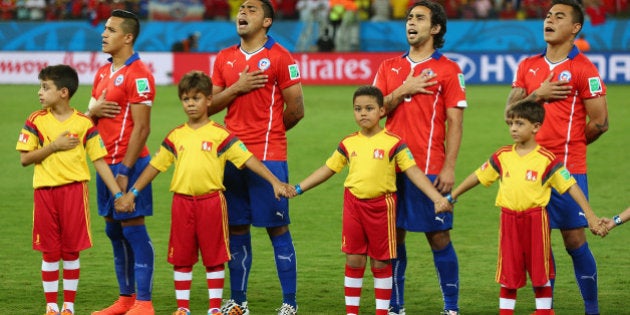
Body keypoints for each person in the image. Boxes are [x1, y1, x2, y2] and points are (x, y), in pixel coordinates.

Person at [114, 71, 294, 315]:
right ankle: (183, 308)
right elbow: (155, 166)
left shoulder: (221, 134)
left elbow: (248, 159)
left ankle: (213, 308)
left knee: (214, 256)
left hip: (212, 202)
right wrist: (133, 193)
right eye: (186, 99)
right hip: (182, 203)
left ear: (209, 99)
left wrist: (274, 181)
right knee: (182, 257)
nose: (190, 104)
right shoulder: (176, 136)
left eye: (196, 98)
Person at [291, 86, 451, 315]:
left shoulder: (394, 143)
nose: (363, 113)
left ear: (381, 110)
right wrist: (299, 188)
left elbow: (414, 172)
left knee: (380, 262)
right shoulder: (348, 143)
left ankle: (382, 312)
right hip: (353, 205)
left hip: (382, 207)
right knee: (354, 259)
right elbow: (328, 168)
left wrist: (436, 198)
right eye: (358, 109)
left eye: (369, 108)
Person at [439, 100, 606, 315]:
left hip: (536, 220)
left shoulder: (547, 159)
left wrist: (590, 216)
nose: (513, 129)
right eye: (510, 124)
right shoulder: (503, 156)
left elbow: (571, 186)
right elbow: (478, 176)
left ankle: (544, 311)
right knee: (508, 271)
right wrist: (451, 197)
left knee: (540, 271)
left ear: (535, 127)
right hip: (509, 221)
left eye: (519, 123)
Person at [505, 1, 609, 314]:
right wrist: (538, 95)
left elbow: (601, 122)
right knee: (539, 244)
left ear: (575, 28)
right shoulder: (528, 65)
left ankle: (591, 308)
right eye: (548, 15)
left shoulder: (584, 69)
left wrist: (573, 144)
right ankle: (544, 308)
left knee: (575, 239)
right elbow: (510, 113)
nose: (549, 20)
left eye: (559, 16)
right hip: (529, 171)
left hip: (567, 168)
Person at [209, 0, 305, 314]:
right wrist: (237, 88)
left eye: (251, 9)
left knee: (277, 228)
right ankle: (238, 301)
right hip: (230, 159)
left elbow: (296, 110)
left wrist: (271, 134)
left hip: (269, 156)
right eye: (241, 8)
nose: (243, 12)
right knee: (236, 228)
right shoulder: (224, 57)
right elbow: (210, 106)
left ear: (266, 21)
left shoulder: (281, 56)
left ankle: (289, 303)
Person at [372, 1, 466, 314]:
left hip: (429, 168)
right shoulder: (389, 67)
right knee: (393, 238)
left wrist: (449, 167)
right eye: (409, 17)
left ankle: (450, 308)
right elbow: (373, 112)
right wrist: (404, 89)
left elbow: (455, 122)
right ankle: (395, 307)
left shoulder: (449, 70)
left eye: (420, 18)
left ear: (436, 28)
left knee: (438, 236)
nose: (411, 23)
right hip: (389, 169)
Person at [16, 64, 124, 315]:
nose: (39, 93)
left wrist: (117, 193)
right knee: (50, 250)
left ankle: (69, 307)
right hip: (44, 193)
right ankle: (52, 306)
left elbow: (99, 160)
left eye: (45, 87)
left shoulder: (84, 123)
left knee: (71, 250)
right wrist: (55, 146)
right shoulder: (36, 120)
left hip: (75, 192)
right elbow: (25, 158)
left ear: (63, 92)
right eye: (40, 87)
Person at [86, 9, 157, 315]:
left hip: (128, 165)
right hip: (104, 164)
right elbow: (90, 121)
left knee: (133, 229)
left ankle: (144, 302)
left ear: (127, 37)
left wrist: (126, 172)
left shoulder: (139, 74)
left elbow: (142, 128)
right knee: (114, 231)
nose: (104, 34)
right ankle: (125, 299)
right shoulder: (102, 73)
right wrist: (93, 112)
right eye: (104, 28)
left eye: (111, 30)